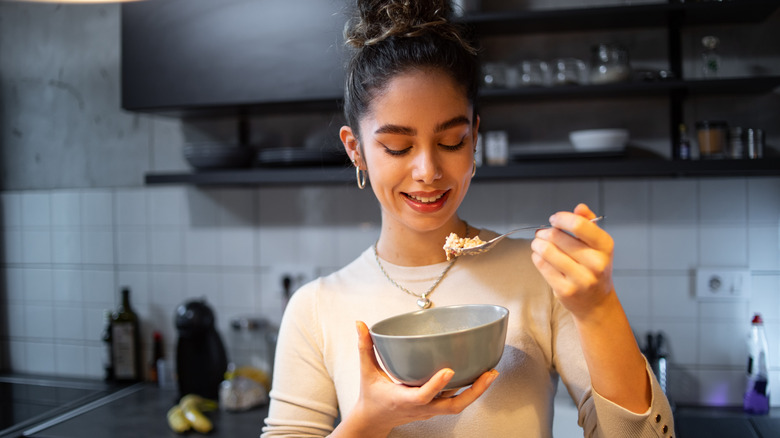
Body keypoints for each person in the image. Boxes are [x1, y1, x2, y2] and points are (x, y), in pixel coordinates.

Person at [262, 1, 674, 436]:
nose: (427, 172)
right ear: (356, 150)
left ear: (475, 137)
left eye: (452, 141)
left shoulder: (542, 279)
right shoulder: (315, 308)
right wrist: (368, 421)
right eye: (398, 147)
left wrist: (599, 308)